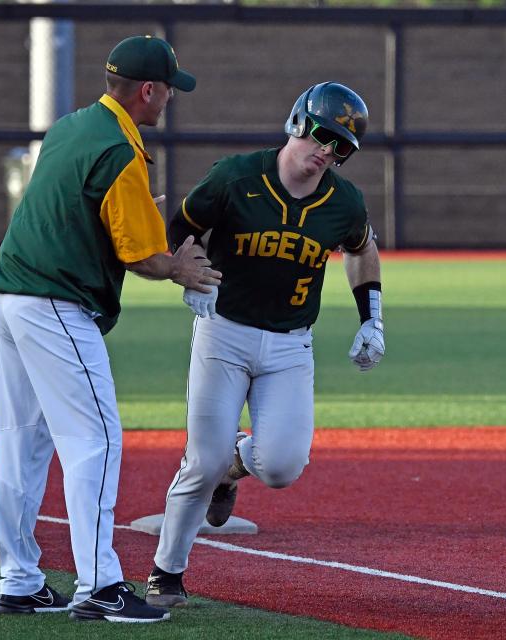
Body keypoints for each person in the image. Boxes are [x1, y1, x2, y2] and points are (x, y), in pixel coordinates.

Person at [0, 35, 219, 623]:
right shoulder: (120, 148)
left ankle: (20, 580)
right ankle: (100, 586)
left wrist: (138, 213)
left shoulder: (72, 126)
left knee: (23, 442)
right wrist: (181, 268)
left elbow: (82, 209)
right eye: (167, 88)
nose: (169, 98)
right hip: (56, 303)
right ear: (147, 90)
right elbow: (144, 257)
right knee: (98, 440)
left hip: (13, 296)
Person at [143, 82, 385, 607]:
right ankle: (167, 572)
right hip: (224, 332)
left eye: (342, 146)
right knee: (201, 462)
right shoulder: (235, 176)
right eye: (323, 135)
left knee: (281, 467)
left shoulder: (343, 201)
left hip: (290, 345)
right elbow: (181, 227)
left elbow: (362, 248)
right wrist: (189, 275)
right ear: (297, 122)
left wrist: (373, 318)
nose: (327, 150)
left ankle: (238, 462)